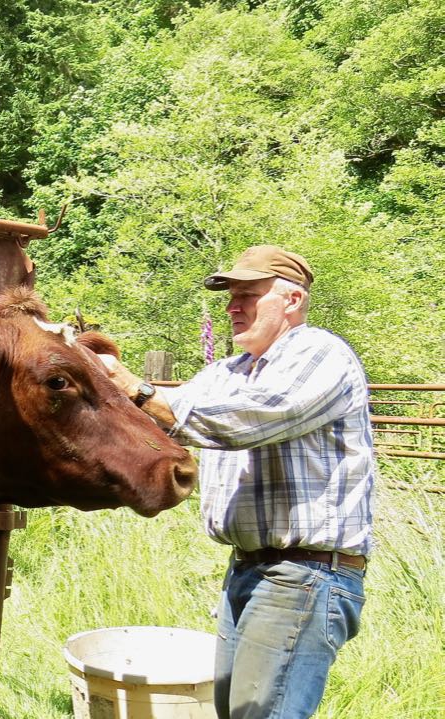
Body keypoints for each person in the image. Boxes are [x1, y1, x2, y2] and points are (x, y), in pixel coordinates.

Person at [98, 245, 374, 719]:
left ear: (291, 300)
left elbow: (244, 420)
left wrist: (132, 386)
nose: (232, 307)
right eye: (231, 296)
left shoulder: (320, 354)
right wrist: (93, 371)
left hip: (305, 573)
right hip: (251, 569)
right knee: (237, 712)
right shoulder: (229, 371)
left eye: (248, 295)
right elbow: (167, 408)